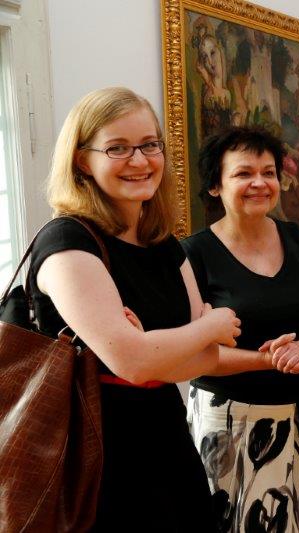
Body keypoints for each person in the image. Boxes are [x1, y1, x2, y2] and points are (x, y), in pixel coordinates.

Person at [30, 87, 242, 531]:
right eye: (118, 148)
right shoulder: (67, 243)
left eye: (149, 144)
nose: (140, 160)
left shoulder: (162, 243)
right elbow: (133, 361)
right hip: (94, 454)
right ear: (82, 161)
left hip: (165, 435)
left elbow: (202, 361)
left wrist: (154, 346)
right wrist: (211, 325)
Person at [181, 126, 299, 532]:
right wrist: (270, 360)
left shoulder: (297, 238)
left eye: (268, 172)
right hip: (232, 421)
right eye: (243, 173)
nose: (260, 182)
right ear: (216, 186)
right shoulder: (193, 253)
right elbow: (192, 353)